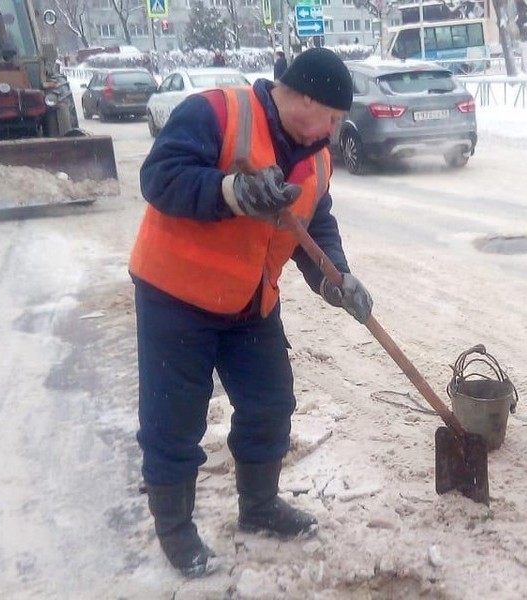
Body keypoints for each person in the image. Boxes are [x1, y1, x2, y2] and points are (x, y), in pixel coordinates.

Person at [129, 48, 373, 577]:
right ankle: (176, 530)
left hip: (250, 300)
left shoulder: (317, 157)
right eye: (332, 118)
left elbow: (314, 223)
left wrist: (336, 277)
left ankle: (259, 507)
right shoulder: (216, 112)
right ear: (304, 99)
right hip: (177, 296)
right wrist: (231, 192)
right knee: (174, 419)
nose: (334, 132)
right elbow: (159, 177)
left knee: (269, 403)